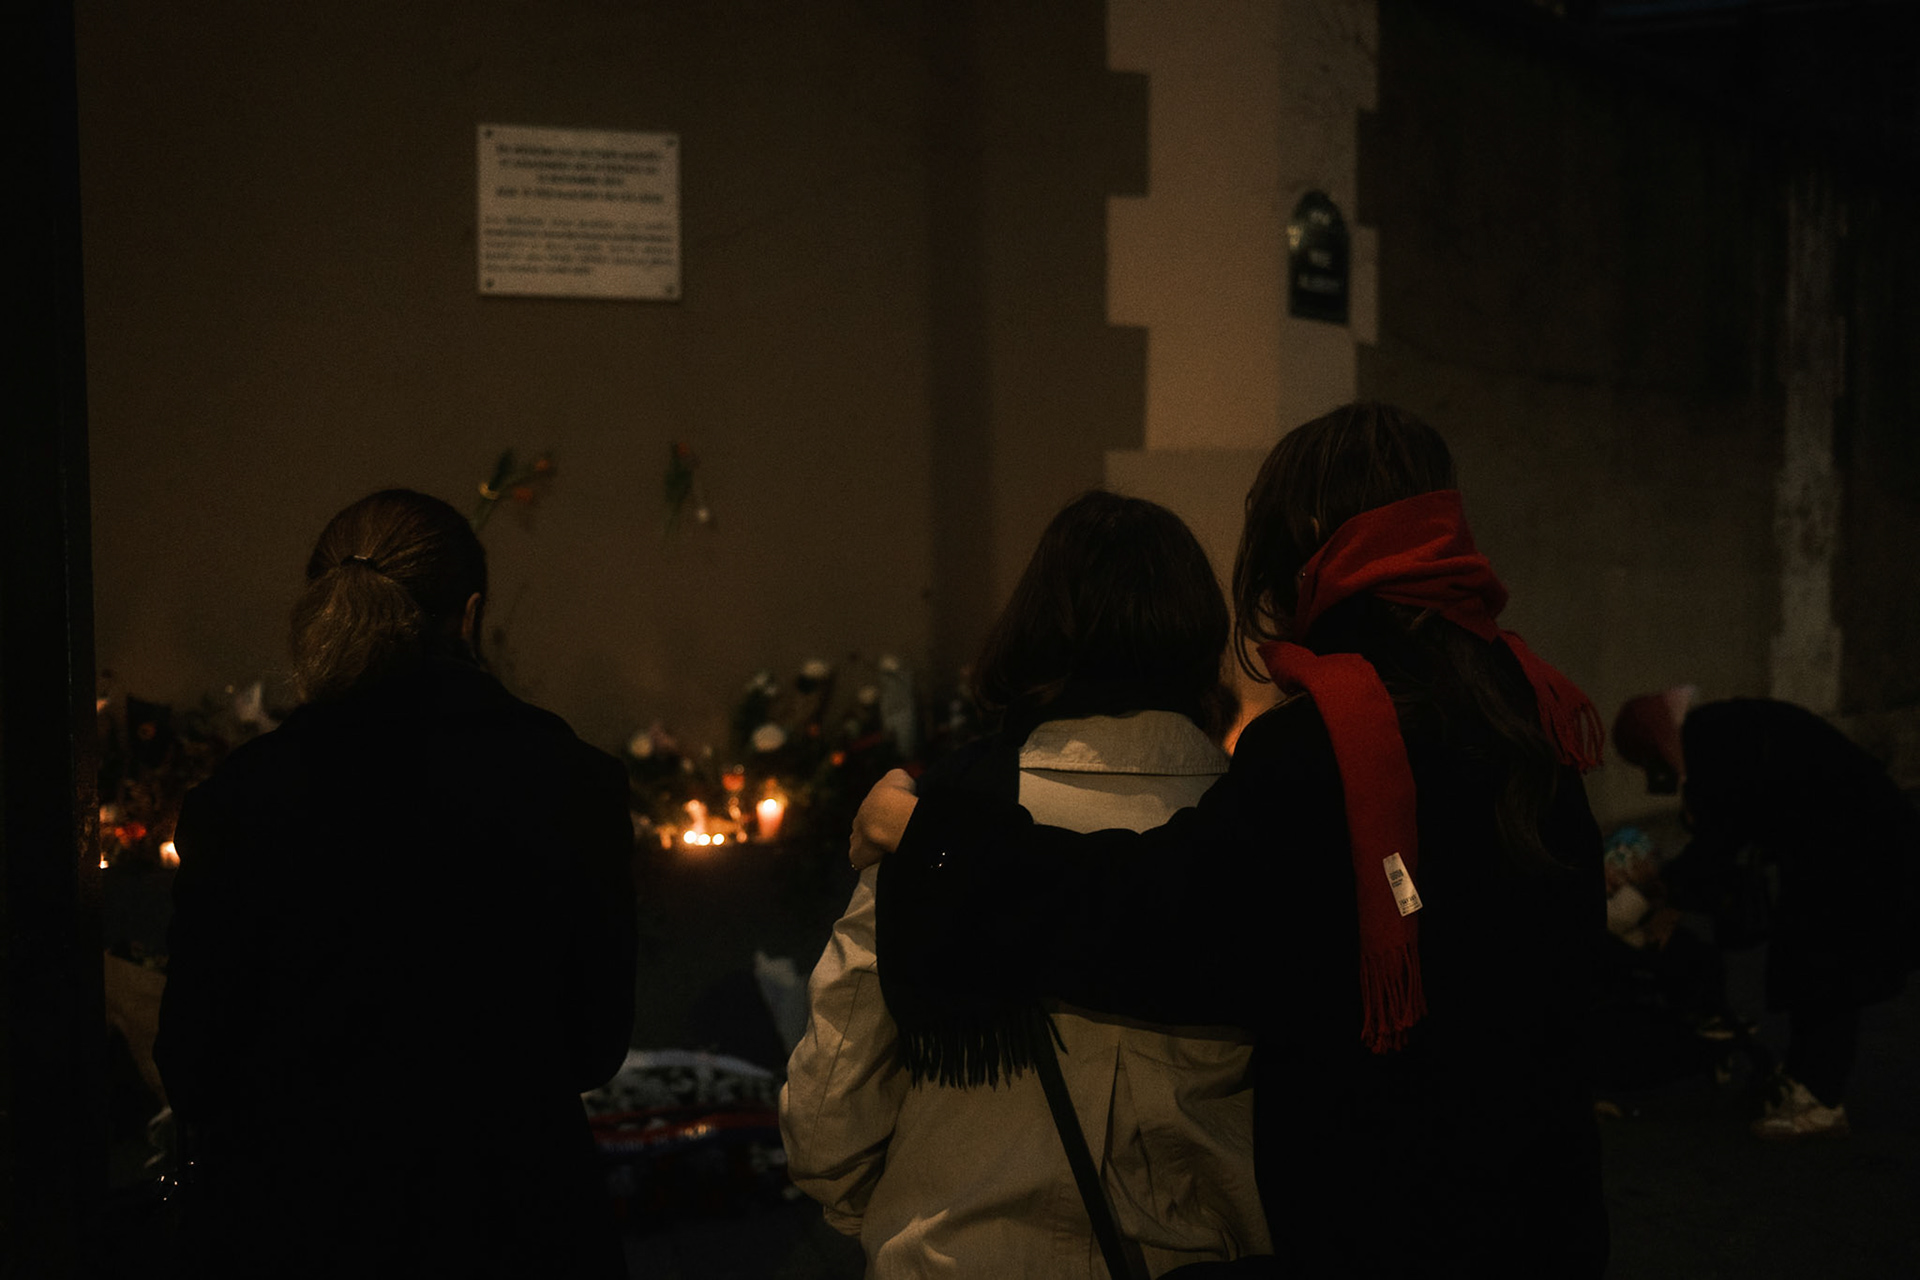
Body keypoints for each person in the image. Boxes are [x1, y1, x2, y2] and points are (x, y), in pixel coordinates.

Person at [852, 404, 1611, 1276]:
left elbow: (1149, 921)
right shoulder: (1532, 711)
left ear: (1310, 541)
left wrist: (936, 837)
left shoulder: (1329, 744)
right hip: (1546, 1218)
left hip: (1393, 1226)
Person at [781, 491, 1272, 1278]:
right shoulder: (1253, 824)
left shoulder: (941, 822)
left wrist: (900, 1219)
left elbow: (831, 1102)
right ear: (1199, 637)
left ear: (1038, 628)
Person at [154, 489, 637, 1278]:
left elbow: (194, 1059)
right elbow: (592, 1045)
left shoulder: (240, 798)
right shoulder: (571, 784)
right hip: (514, 1222)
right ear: (471, 615)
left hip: (291, 1228)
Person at [1614, 689, 1920, 1138]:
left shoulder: (1710, 740)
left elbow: (1721, 836)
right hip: (1840, 846)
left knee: (1830, 967)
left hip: (1853, 852)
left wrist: (1667, 899)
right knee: (1810, 961)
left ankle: (1820, 1098)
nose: (1654, 777)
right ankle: (1804, 1083)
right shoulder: (1717, 729)